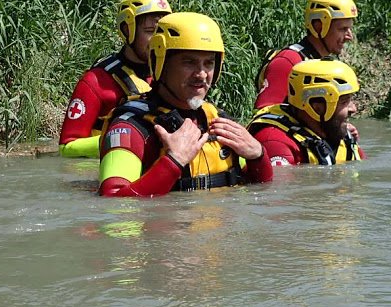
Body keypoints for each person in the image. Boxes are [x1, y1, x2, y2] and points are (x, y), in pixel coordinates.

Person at [98, 12, 270, 197]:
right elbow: (113, 202)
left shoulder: (218, 120)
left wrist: (258, 156)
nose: (202, 74)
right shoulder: (130, 128)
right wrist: (174, 161)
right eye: (189, 62)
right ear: (161, 63)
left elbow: (260, 190)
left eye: (209, 63)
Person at [58, 0, 173, 158]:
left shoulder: (172, 76)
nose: (157, 42)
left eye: (162, 34)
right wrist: (122, 138)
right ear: (128, 31)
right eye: (150, 32)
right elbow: (66, 148)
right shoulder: (96, 81)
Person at [249, 59, 365, 168]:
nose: (353, 109)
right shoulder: (275, 142)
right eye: (345, 102)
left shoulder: (340, 135)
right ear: (316, 107)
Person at [254, 0, 358, 111]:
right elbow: (265, 114)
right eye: (343, 29)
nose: (349, 36)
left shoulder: (322, 64)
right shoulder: (288, 61)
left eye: (350, 29)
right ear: (318, 27)